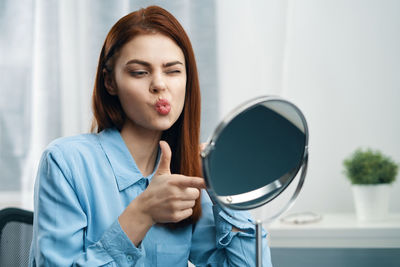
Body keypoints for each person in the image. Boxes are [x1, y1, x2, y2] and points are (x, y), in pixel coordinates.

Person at [29, 5, 273, 266]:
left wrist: (225, 192)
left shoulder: (187, 177)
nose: (159, 84)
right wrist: (143, 213)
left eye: (173, 71)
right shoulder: (66, 163)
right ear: (109, 82)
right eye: (140, 72)